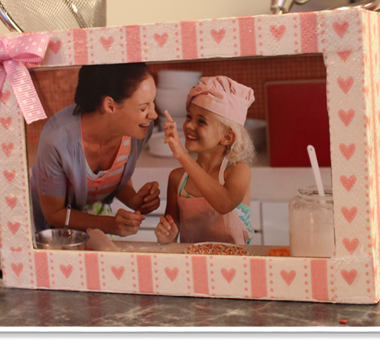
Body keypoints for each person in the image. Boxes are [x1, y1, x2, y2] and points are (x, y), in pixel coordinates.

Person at [31, 62, 160, 238]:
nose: (154, 115)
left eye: (153, 103)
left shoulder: (139, 131)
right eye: (143, 108)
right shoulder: (57, 141)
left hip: (95, 219)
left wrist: (135, 200)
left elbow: (111, 177)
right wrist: (110, 225)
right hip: (51, 229)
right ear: (110, 105)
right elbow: (54, 213)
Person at [154, 76, 256, 245]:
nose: (189, 125)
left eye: (201, 121)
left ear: (227, 137)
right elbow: (170, 241)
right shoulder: (177, 179)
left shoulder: (238, 171)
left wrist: (182, 155)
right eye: (189, 117)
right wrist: (165, 237)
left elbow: (224, 204)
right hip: (191, 262)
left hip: (235, 261)